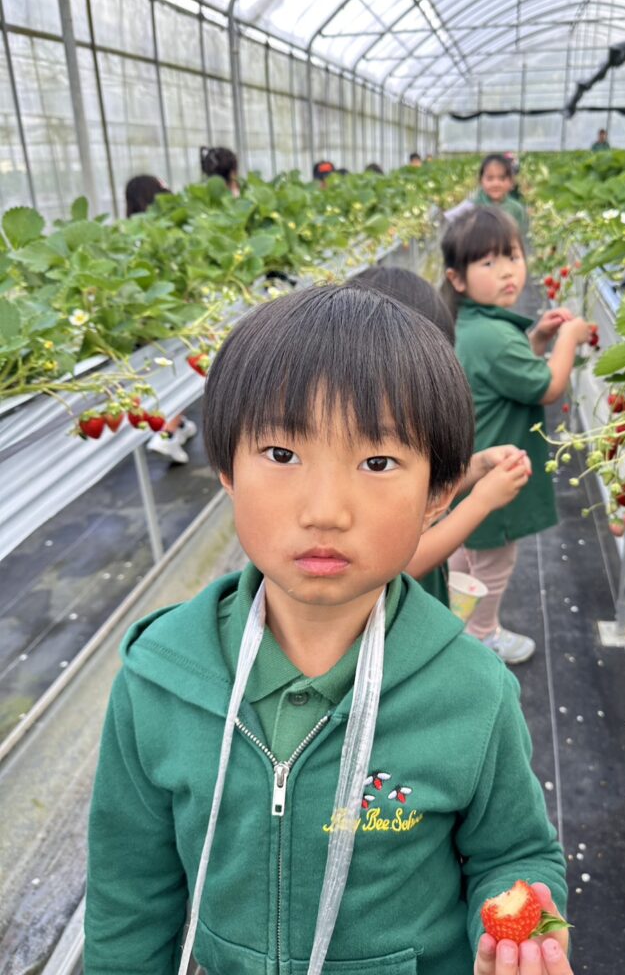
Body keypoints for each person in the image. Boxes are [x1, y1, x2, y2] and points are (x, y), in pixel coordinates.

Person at [84, 284, 570, 975]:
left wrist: (527, 932)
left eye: (378, 463)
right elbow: (128, 895)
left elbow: (516, 853)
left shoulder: (471, 692)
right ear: (225, 468)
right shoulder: (159, 679)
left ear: (438, 493)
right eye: (281, 453)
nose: (324, 510)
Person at [443, 206, 591, 664]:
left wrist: (540, 339)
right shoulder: (494, 337)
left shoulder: (476, 326)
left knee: (464, 547)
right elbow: (547, 387)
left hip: (469, 465)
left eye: (512, 256)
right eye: (488, 262)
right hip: (493, 469)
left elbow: (510, 370)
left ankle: (446, 617)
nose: (507, 271)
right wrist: (569, 340)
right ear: (457, 279)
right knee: (494, 562)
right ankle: (481, 634)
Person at [352, 265, 532, 610]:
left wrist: (478, 466)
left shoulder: (398, 423)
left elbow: (420, 497)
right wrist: (481, 502)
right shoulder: (366, 447)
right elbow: (403, 565)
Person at [125, 175, 197, 464]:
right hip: (168, 311)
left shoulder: (125, 233)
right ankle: (167, 433)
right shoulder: (168, 232)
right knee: (178, 373)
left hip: (140, 317)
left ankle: (177, 426)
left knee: (158, 378)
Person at [474, 154, 528, 234]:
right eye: (490, 178)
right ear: (480, 181)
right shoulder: (473, 205)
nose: (496, 184)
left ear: (511, 182)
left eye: (502, 178)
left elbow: (522, 235)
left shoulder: (516, 209)